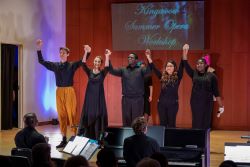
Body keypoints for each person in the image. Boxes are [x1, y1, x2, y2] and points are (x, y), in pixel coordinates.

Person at [36, 39, 83, 148]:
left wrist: (87, 52)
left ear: (68, 54)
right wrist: (39, 49)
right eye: (60, 53)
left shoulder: (72, 65)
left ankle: (74, 137)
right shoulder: (55, 65)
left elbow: (82, 61)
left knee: (72, 114)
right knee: (61, 115)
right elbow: (42, 61)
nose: (61, 54)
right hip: (59, 91)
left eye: (63, 53)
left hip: (69, 90)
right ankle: (64, 139)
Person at [182, 44, 224, 129]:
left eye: (201, 63)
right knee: (196, 122)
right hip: (195, 102)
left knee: (205, 123)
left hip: (207, 103)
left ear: (205, 65)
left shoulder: (212, 76)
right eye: (197, 63)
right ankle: (195, 140)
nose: (199, 65)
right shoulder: (194, 73)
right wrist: (185, 52)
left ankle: (204, 141)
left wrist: (221, 105)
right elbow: (185, 65)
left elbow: (216, 92)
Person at [108, 51, 152, 126]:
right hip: (126, 100)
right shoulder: (123, 70)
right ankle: (127, 137)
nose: (129, 58)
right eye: (128, 57)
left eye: (131, 57)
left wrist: (148, 57)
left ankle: (137, 137)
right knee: (126, 120)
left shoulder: (141, 70)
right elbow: (111, 71)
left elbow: (149, 70)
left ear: (136, 60)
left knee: (137, 122)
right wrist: (107, 57)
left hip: (138, 99)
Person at [78, 45, 110, 140]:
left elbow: (107, 67)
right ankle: (88, 136)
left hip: (99, 98)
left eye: (99, 61)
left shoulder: (102, 73)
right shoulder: (89, 72)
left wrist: (107, 56)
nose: (96, 62)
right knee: (89, 114)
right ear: (93, 62)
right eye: (95, 61)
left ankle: (97, 136)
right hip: (90, 98)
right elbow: (83, 63)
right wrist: (86, 52)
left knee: (97, 115)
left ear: (100, 63)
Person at [146, 48, 184, 128]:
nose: (168, 67)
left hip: (173, 105)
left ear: (174, 68)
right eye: (167, 66)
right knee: (162, 124)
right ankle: (163, 140)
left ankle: (171, 140)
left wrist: (184, 52)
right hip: (162, 105)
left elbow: (182, 64)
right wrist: (149, 57)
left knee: (171, 124)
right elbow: (153, 67)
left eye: (171, 66)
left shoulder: (178, 76)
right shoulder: (162, 77)